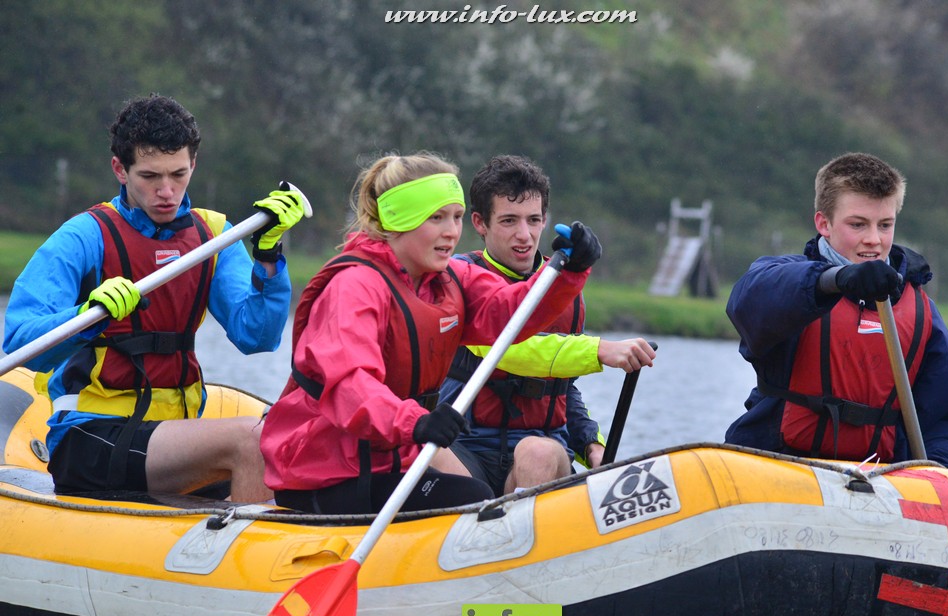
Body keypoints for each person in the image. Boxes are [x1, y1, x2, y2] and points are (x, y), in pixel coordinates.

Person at [260, 152, 602, 514]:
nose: (452, 232)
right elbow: (351, 387)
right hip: (326, 470)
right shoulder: (354, 287)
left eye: (455, 217)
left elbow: (509, 311)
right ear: (398, 220)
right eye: (436, 218)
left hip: (390, 460)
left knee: (475, 502)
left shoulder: (447, 279)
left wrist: (569, 273)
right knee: (472, 504)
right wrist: (418, 422)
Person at [2, 94, 305, 502]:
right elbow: (20, 346)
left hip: (168, 437)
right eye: (150, 176)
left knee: (283, 444)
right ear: (119, 170)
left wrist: (268, 257)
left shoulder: (215, 235)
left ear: (193, 165)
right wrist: (90, 313)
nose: (167, 191)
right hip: (90, 434)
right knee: (251, 441)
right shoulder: (83, 237)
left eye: (178, 174)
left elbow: (258, 337)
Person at [724, 152, 948, 471]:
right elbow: (747, 300)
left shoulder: (920, 309)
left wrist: (938, 472)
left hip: (877, 479)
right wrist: (836, 280)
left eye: (885, 225)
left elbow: (947, 418)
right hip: (780, 465)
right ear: (824, 223)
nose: (873, 240)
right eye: (858, 224)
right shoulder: (786, 280)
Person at [435, 155, 656, 496]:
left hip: (542, 449)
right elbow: (509, 350)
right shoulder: (459, 278)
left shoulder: (563, 289)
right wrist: (599, 350)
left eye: (534, 220)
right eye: (509, 221)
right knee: (421, 450)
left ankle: (524, 539)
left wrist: (593, 448)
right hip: (467, 447)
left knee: (536, 451)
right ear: (480, 223)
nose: (524, 235)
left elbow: (563, 391)